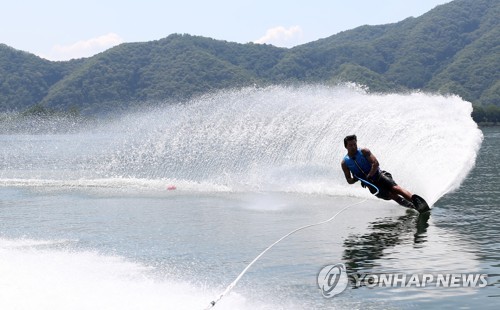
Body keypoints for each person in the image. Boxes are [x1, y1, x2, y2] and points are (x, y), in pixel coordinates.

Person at [340, 134, 416, 209]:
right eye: (350, 145)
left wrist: (369, 175)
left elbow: (375, 163)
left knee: (396, 189)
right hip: (371, 185)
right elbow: (349, 180)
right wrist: (355, 179)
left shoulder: (364, 151)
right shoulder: (345, 163)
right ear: (346, 146)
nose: (353, 147)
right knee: (392, 195)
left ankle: (416, 202)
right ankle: (413, 207)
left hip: (379, 175)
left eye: (354, 144)